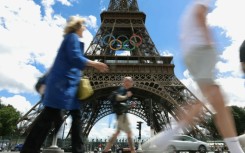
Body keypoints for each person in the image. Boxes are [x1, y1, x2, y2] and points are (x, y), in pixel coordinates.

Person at [142, 1, 244, 153]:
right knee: (215, 98)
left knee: (214, 98)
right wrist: (210, 42)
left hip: (192, 52)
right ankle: (169, 135)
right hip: (201, 50)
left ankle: (169, 135)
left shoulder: (189, 10)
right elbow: (199, 14)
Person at [20, 16, 109, 153]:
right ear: (77, 27)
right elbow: (74, 58)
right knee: (48, 119)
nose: (85, 28)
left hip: (68, 88)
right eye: (83, 26)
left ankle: (32, 149)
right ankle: (29, 149)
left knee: (72, 118)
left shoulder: (72, 39)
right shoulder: (72, 38)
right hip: (62, 86)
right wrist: (94, 63)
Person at [103, 76, 136, 153]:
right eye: (130, 81)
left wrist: (130, 106)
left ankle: (105, 150)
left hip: (120, 114)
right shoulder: (122, 89)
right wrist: (126, 96)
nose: (132, 82)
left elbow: (122, 104)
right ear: (126, 82)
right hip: (122, 115)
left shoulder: (124, 90)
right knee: (129, 133)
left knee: (116, 133)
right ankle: (133, 151)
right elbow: (118, 98)